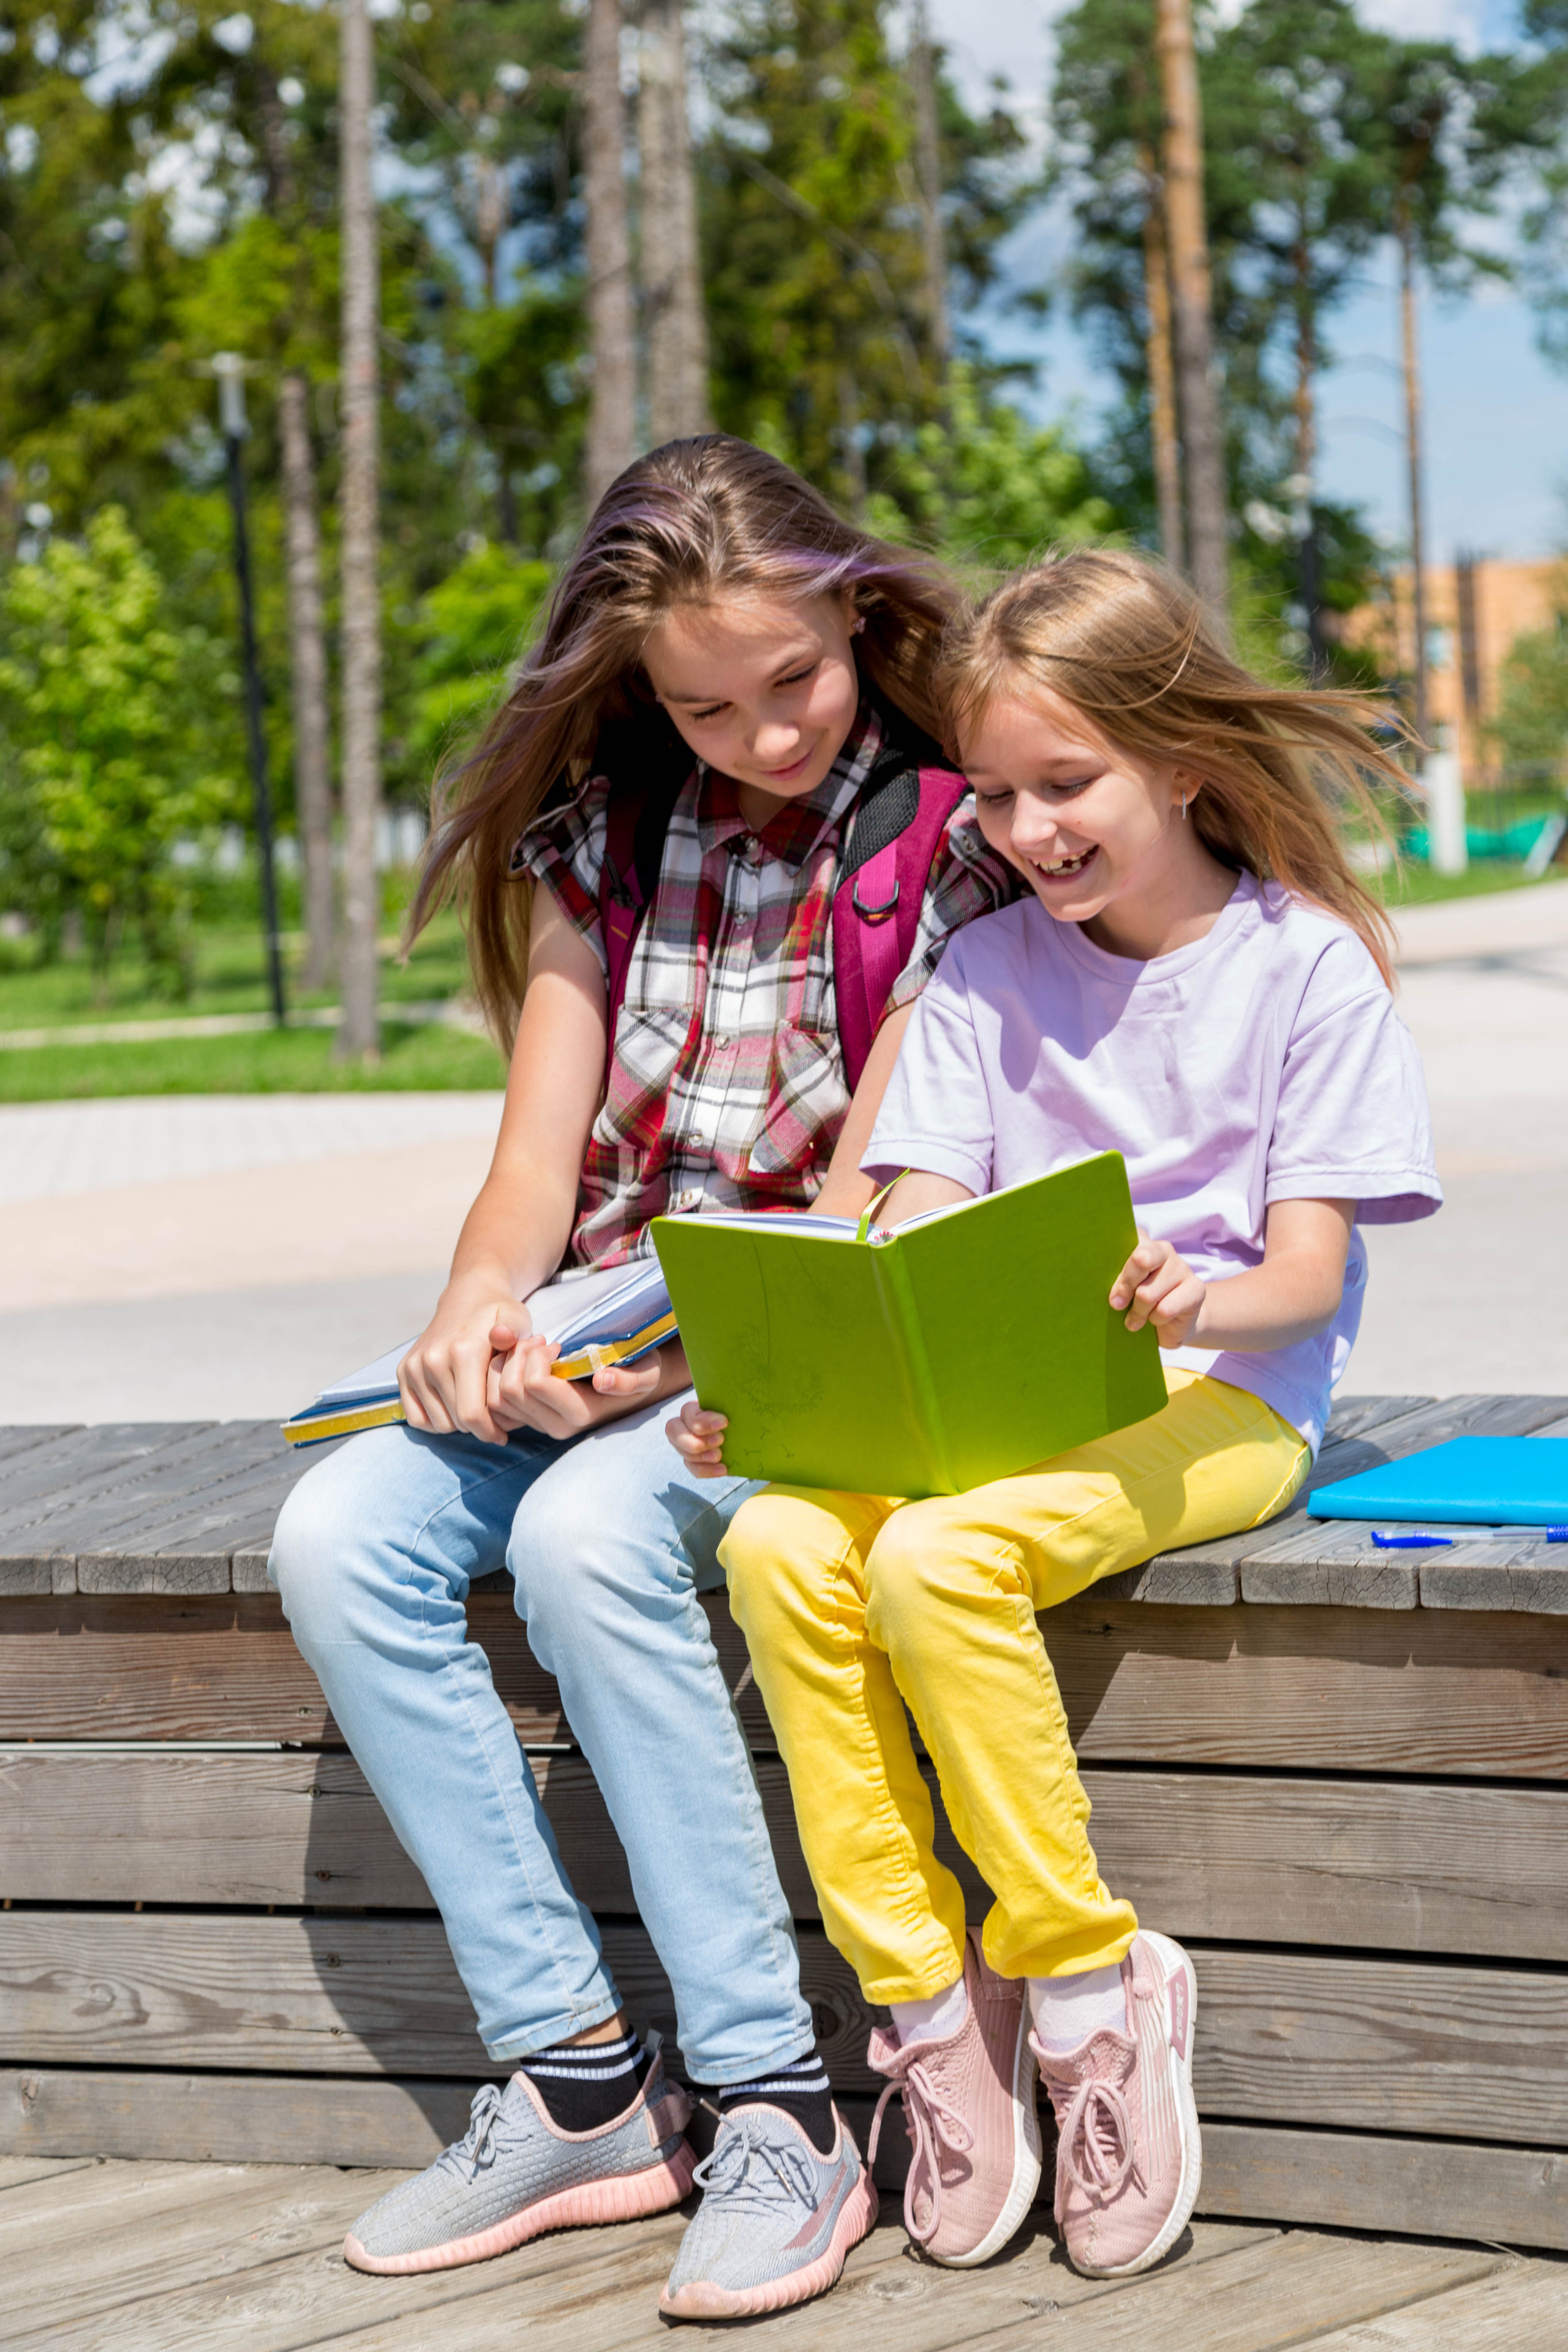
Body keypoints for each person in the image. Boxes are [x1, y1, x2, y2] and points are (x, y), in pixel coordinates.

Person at [267, 435, 1016, 2320]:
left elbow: (863, 1206)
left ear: (859, 615)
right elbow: (538, 1162)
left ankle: (777, 2100)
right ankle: (584, 2081)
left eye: (796, 684)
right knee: (340, 1530)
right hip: (614, 1328)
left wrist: (648, 1377)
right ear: (634, 689)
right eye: (705, 702)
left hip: (803, 1336)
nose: (761, 733)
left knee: (599, 1530)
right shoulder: (606, 833)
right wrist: (476, 1311)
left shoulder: (935, 837)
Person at [672, 547, 1441, 2283]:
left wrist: (1197, 1293)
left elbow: (1307, 1280)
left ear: (1182, 761)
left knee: (942, 1565)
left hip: (1226, 1399)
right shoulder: (990, 976)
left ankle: (1089, 1992)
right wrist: (775, 1396)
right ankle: (938, 2019)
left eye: (1068, 785)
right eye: (1002, 794)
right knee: (784, 1537)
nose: (1027, 828)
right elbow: (907, 1227)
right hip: (1011, 1415)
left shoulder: (1304, 967)